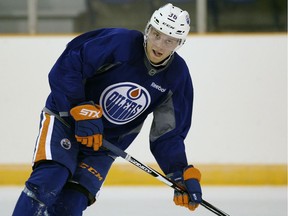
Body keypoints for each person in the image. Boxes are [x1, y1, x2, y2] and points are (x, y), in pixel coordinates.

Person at [13, 3, 202, 215]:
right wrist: (78, 108)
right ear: (148, 29)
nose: (159, 45)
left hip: (105, 145)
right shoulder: (120, 43)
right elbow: (69, 64)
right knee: (48, 181)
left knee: (72, 203)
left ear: (180, 43)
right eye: (156, 34)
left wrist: (178, 172)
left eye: (169, 41)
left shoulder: (177, 76)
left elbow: (168, 134)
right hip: (65, 122)